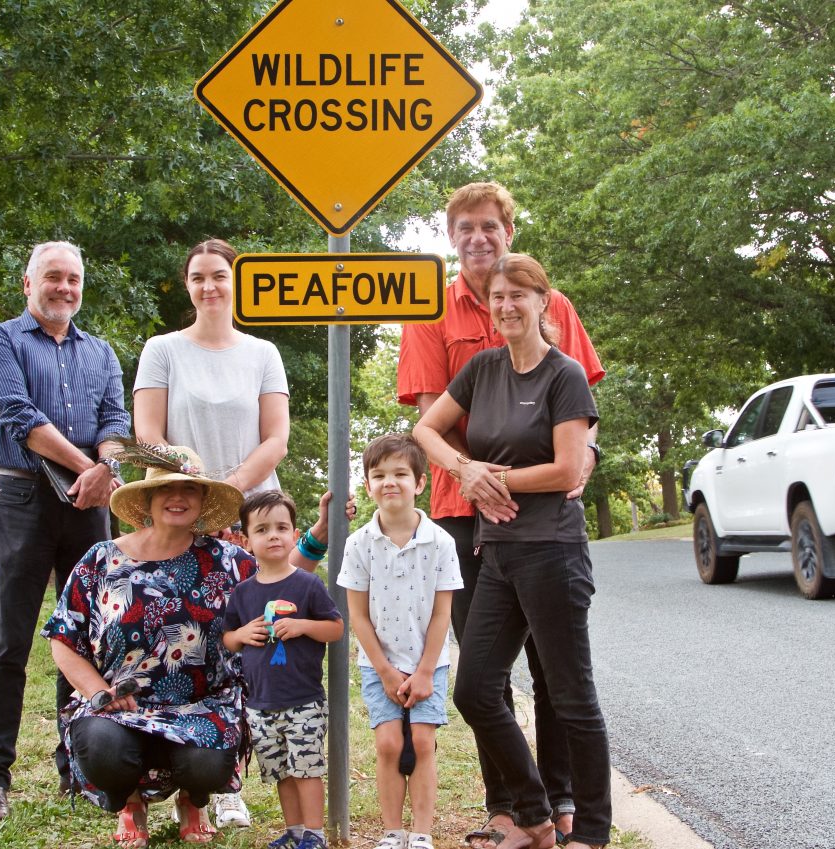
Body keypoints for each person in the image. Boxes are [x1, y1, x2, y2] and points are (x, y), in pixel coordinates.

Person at [397, 182, 604, 843]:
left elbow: (579, 414)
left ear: (508, 231)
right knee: (483, 674)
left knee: (555, 674)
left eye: (490, 225)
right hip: (467, 515)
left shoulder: (555, 306)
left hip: (545, 519)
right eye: (465, 227)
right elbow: (433, 411)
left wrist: (583, 460)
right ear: (451, 236)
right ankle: (512, 809)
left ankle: (566, 806)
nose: (478, 237)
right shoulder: (433, 313)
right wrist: (472, 474)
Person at [0, 240, 131, 820]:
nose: (65, 288)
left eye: (74, 279)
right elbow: (17, 414)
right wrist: (89, 467)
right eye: (53, 278)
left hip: (91, 504)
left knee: (85, 639)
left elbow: (116, 420)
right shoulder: (1, 340)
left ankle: (77, 767)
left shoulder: (102, 351)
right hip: (23, 496)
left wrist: (108, 467)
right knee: (10, 639)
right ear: (28, 284)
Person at [133, 237, 289, 827]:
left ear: (236, 281)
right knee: (180, 642)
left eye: (219, 276)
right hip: (177, 510)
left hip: (249, 515)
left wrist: (230, 499)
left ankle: (224, 782)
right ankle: (161, 773)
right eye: (198, 277)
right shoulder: (163, 349)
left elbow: (275, 438)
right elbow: (147, 433)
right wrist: (191, 477)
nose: (209, 287)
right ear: (188, 285)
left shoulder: (263, 352)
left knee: (243, 643)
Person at [42, 444, 253, 847]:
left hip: (202, 706)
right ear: (149, 500)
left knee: (208, 763)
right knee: (102, 748)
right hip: (120, 707)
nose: (178, 498)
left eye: (190, 490)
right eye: (167, 490)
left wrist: (317, 536)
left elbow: (281, 581)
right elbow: (63, 639)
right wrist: (97, 693)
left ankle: (194, 800)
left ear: (204, 500)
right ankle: (130, 803)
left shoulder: (231, 561)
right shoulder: (100, 560)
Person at [336, 434, 464, 849]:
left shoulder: (442, 542)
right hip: (378, 665)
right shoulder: (358, 544)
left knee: (423, 742)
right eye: (379, 475)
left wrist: (426, 670)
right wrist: (387, 672)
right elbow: (357, 614)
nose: (389, 482)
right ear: (368, 485)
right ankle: (393, 832)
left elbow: (443, 613)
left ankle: (421, 833)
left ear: (420, 483)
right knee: (389, 743)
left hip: (430, 662)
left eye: (400, 474)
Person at [223, 490, 344, 849]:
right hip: (260, 702)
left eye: (281, 527)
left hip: (303, 699)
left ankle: (315, 834)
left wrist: (304, 626)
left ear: (295, 533)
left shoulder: (307, 583)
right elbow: (228, 638)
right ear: (246, 540)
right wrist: (242, 634)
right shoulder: (242, 593)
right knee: (281, 773)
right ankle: (293, 831)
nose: (273, 535)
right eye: (262, 529)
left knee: (306, 769)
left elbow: (336, 628)